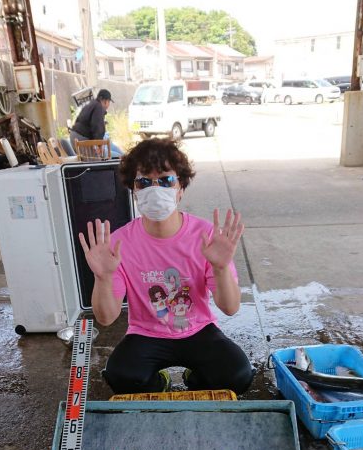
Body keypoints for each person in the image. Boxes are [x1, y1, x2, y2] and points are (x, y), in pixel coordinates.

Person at [79, 138, 255, 395]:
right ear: (134, 190)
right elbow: (106, 318)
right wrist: (103, 278)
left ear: (181, 188)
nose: (154, 188)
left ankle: (194, 378)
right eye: (144, 182)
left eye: (165, 180)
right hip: (146, 333)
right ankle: (159, 381)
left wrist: (221, 267)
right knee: (121, 377)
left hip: (198, 329)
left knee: (237, 375)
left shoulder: (206, 236)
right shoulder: (117, 244)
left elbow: (230, 307)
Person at [70, 88, 123, 157]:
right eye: (109, 102)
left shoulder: (92, 104)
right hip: (81, 138)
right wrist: (99, 145)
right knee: (103, 157)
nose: (108, 105)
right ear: (105, 101)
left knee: (105, 154)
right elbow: (97, 127)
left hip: (75, 136)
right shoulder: (98, 107)